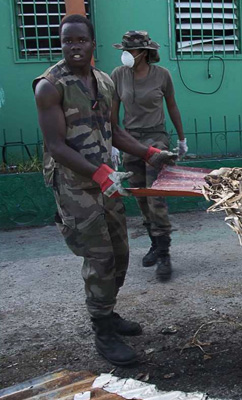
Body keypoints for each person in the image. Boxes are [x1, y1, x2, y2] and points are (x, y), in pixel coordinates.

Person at [33, 15, 176, 366]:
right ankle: (103, 332)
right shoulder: (50, 86)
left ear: (92, 43)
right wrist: (98, 173)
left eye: (80, 40)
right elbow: (56, 146)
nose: (74, 46)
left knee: (120, 251)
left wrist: (149, 153)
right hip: (75, 187)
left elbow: (115, 131)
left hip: (107, 180)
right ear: (62, 44)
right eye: (68, 41)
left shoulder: (103, 81)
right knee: (99, 257)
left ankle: (108, 312)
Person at [110, 31, 187, 281]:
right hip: (129, 140)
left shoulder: (161, 75)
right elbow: (113, 109)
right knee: (140, 195)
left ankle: (164, 254)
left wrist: (182, 138)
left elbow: (173, 105)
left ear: (145, 53)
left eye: (131, 51)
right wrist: (112, 142)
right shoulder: (118, 75)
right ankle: (155, 243)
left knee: (156, 196)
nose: (126, 54)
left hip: (156, 139)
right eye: (124, 49)